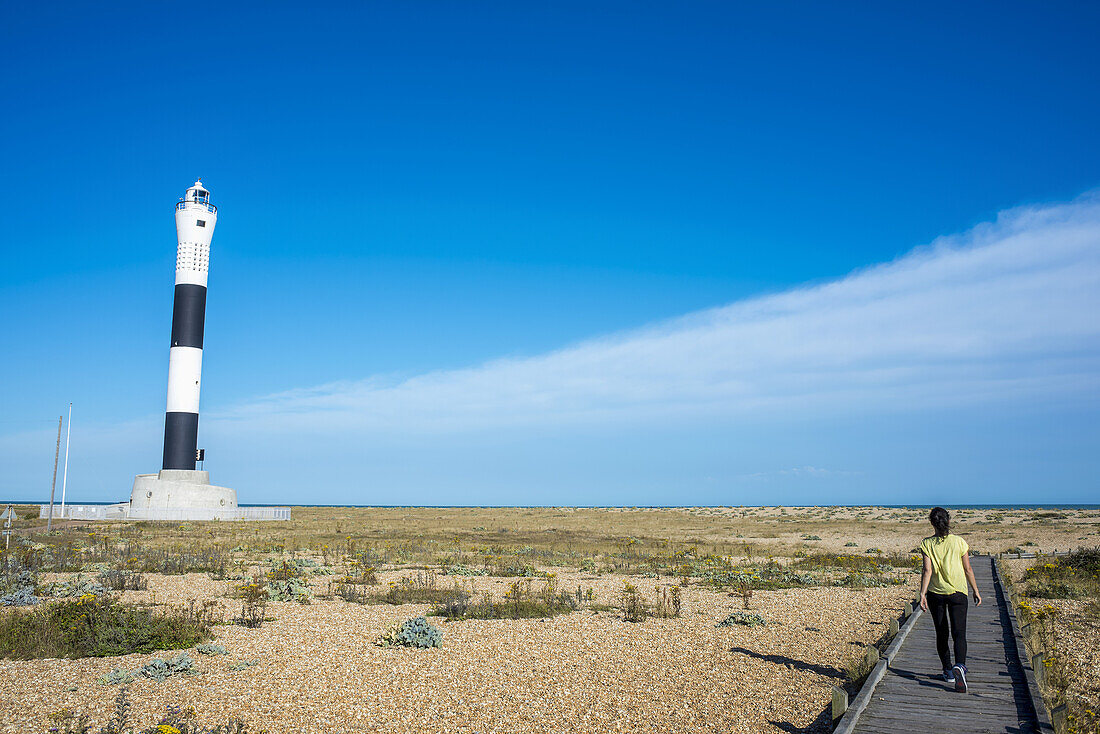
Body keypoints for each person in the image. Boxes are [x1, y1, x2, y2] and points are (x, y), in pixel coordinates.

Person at [918, 506, 982, 693]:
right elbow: (968, 569)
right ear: (949, 521)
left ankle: (947, 670)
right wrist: (976, 590)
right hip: (958, 592)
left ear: (932, 523)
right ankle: (960, 666)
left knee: (941, 633)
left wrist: (922, 594)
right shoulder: (959, 542)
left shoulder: (927, 544)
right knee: (959, 632)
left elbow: (927, 570)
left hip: (936, 593)